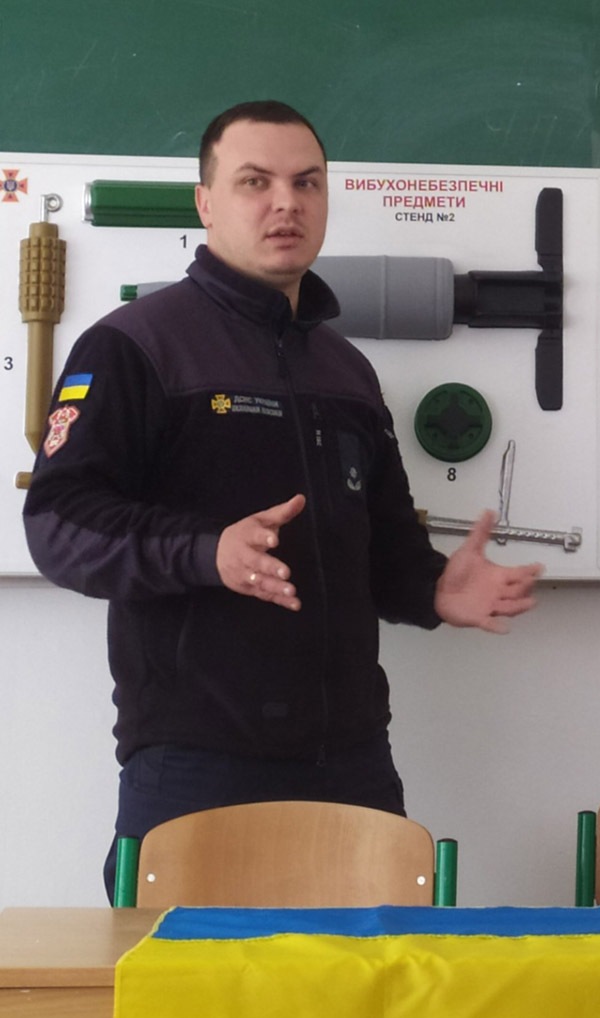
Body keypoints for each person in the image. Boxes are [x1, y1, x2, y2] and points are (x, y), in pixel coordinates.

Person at [22, 100, 542, 900]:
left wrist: (434, 588)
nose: (285, 203)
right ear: (205, 201)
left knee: (371, 973)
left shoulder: (348, 371)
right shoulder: (134, 346)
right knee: (188, 976)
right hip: (196, 762)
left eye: (307, 183)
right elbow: (59, 524)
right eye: (255, 182)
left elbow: (383, 552)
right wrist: (207, 553)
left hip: (354, 762)